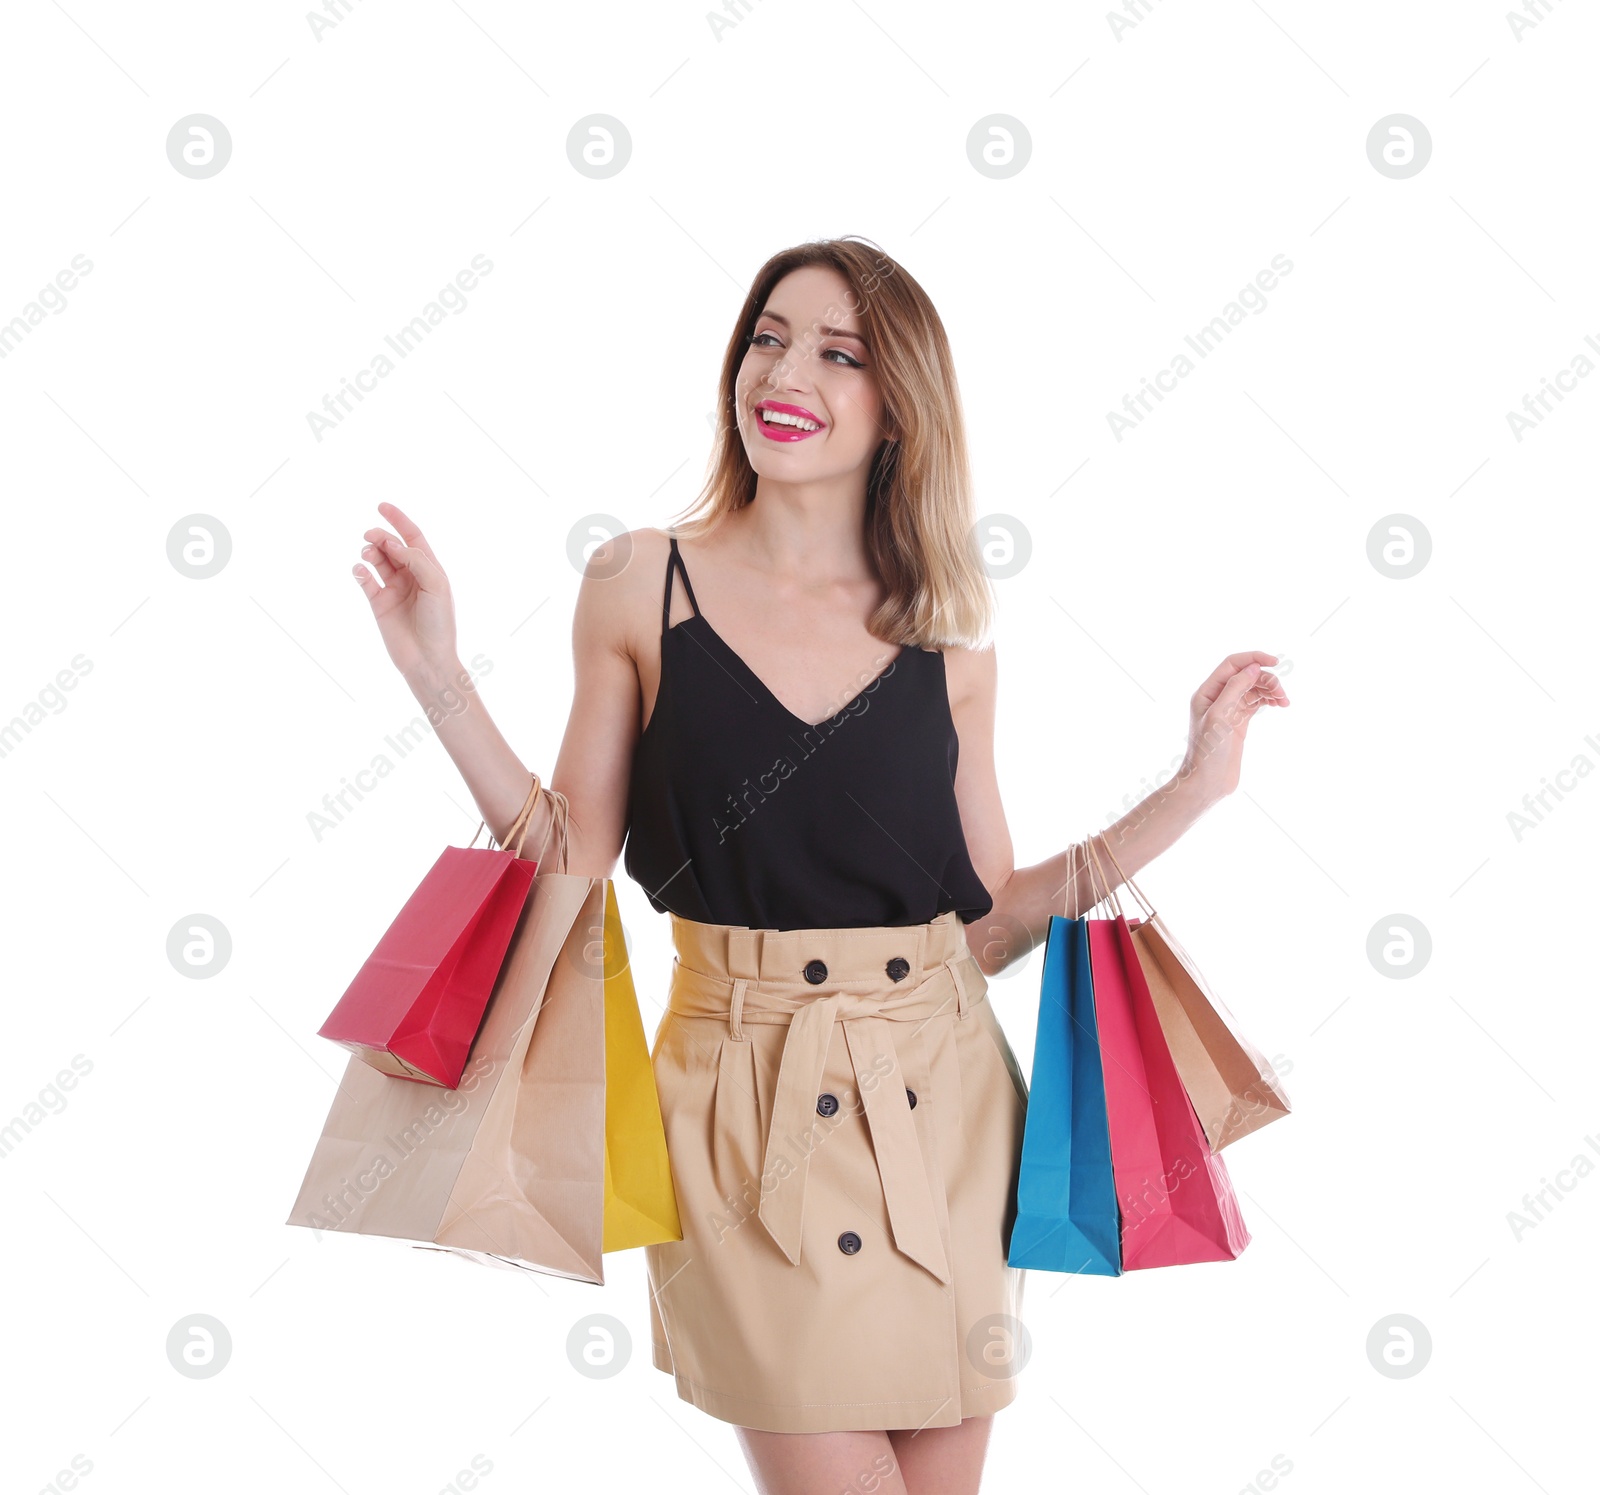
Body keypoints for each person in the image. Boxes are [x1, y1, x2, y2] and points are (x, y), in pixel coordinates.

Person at [351, 236, 1288, 1495]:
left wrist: (1193, 787)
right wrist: (436, 673)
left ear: (897, 404)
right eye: (768, 336)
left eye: (838, 352)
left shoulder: (945, 634)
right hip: (740, 1113)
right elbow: (569, 855)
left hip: (943, 1107)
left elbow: (992, 921)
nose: (783, 371)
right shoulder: (639, 581)